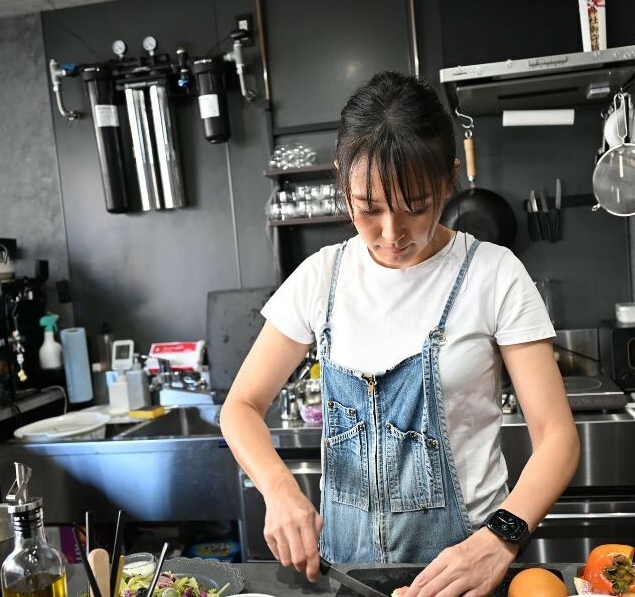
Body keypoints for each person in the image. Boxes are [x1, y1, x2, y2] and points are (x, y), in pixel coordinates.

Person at [219, 70, 580, 597]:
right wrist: (278, 488)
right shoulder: (323, 277)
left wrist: (501, 539)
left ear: (448, 181)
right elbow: (241, 405)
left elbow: (557, 438)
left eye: (416, 207)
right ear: (341, 179)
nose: (392, 235)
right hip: (346, 577)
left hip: (464, 573)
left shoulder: (493, 273)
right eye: (368, 210)